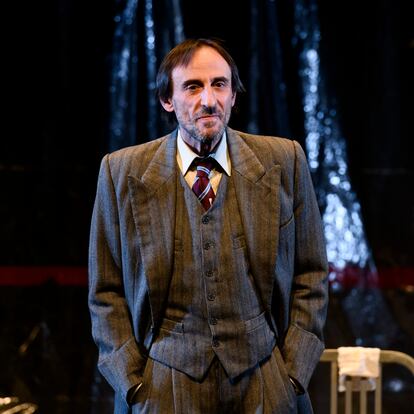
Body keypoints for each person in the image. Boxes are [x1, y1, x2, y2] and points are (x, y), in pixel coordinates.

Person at [88, 38, 328, 414]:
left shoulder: (284, 161)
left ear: (233, 95)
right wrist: (132, 381)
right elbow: (105, 291)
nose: (209, 99)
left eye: (219, 84)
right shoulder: (122, 172)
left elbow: (310, 273)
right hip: (162, 385)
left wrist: (293, 372)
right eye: (193, 86)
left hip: (265, 379)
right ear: (168, 100)